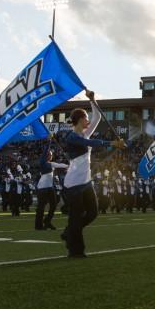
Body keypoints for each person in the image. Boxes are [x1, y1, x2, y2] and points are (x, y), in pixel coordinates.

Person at [61, 91, 125, 257]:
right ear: (80, 120)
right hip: (74, 184)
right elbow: (89, 143)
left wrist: (92, 99)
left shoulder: (83, 133)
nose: (88, 121)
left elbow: (97, 117)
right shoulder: (72, 137)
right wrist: (112, 143)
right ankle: (76, 251)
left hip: (86, 182)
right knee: (76, 217)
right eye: (85, 118)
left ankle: (69, 232)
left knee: (92, 213)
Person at [36, 146, 68, 230]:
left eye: (51, 155)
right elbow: (59, 165)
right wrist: (49, 141)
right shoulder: (43, 163)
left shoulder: (51, 164)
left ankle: (47, 221)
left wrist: (69, 165)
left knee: (54, 205)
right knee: (41, 207)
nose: (51, 156)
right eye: (49, 155)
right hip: (42, 187)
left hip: (50, 187)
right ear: (46, 155)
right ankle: (38, 225)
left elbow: (60, 165)